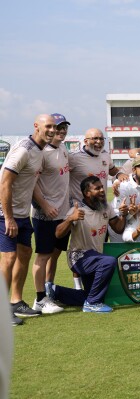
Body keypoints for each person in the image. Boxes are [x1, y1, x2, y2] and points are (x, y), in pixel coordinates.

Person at [1, 114, 55, 326]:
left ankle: (16, 301)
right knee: (8, 258)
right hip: (5, 214)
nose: (51, 130)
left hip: (23, 214)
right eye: (47, 126)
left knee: (25, 253)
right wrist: (8, 217)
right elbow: (4, 182)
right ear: (36, 127)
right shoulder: (24, 149)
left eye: (54, 127)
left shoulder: (40, 151)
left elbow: (31, 185)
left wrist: (44, 205)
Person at [46, 176, 128, 312]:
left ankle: (55, 291)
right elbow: (58, 234)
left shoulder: (106, 208)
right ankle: (92, 304)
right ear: (87, 193)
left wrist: (123, 215)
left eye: (102, 187)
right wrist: (70, 219)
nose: (102, 190)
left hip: (95, 258)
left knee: (91, 295)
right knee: (109, 262)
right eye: (97, 188)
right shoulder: (76, 211)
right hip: (78, 257)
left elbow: (118, 228)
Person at [69, 128, 126, 288]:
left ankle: (95, 280)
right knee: (79, 246)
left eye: (101, 139)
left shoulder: (105, 156)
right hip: (80, 209)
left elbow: (112, 170)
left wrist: (119, 174)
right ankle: (77, 286)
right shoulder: (74, 158)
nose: (98, 142)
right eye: (94, 138)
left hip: (101, 207)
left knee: (99, 242)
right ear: (85, 141)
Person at [30, 113, 72, 314]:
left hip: (62, 213)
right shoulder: (41, 152)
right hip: (45, 214)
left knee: (54, 255)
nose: (61, 131)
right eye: (57, 127)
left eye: (64, 127)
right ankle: (39, 299)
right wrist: (45, 205)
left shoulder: (63, 148)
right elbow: (32, 183)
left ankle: (49, 291)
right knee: (43, 256)